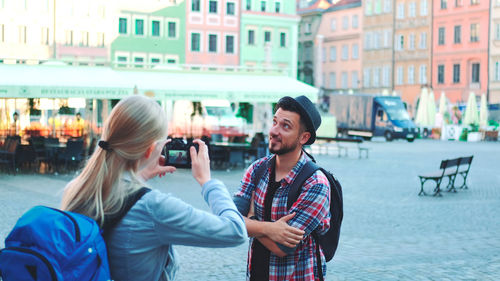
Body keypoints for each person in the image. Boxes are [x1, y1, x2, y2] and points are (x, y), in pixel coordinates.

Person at [61, 95, 247, 281]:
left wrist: (140, 176)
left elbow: (118, 205)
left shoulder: (78, 188)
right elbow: (235, 231)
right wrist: (208, 182)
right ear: (151, 149)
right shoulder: (153, 206)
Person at [234, 95, 331, 281]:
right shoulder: (257, 170)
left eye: (285, 126)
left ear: (304, 137)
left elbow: (283, 248)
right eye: (274, 122)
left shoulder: (316, 184)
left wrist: (251, 219)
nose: (274, 131)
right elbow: (230, 219)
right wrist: (271, 229)